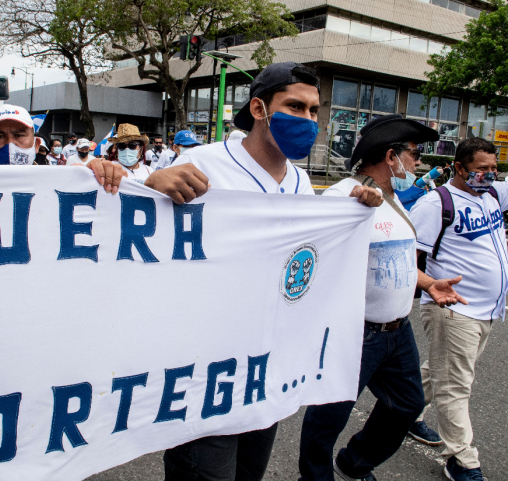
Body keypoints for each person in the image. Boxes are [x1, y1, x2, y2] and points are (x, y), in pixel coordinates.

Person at [136, 62, 383, 481]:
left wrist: (354, 208)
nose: (307, 119)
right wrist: (153, 183)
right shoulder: (203, 162)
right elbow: (132, 216)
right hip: (204, 368)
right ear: (258, 108)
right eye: (295, 106)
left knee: (249, 473)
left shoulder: (301, 182)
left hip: (265, 368)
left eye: (313, 111)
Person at [299, 114, 465, 481]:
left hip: (397, 332)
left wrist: (426, 283)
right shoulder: (346, 194)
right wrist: (352, 209)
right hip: (357, 332)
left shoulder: (394, 199)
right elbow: (315, 251)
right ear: (391, 156)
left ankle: (354, 463)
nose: (417, 162)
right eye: (414, 154)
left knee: (406, 405)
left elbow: (396, 255)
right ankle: (314, 476)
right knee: (329, 414)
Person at [409, 138, 508, 481]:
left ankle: (404, 411)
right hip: (452, 308)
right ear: (461, 168)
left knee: (442, 369)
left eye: (495, 169)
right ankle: (463, 460)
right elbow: (408, 259)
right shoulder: (435, 204)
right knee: (455, 384)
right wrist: (427, 287)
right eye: (482, 169)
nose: (490, 175)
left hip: (488, 310)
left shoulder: (493, 196)